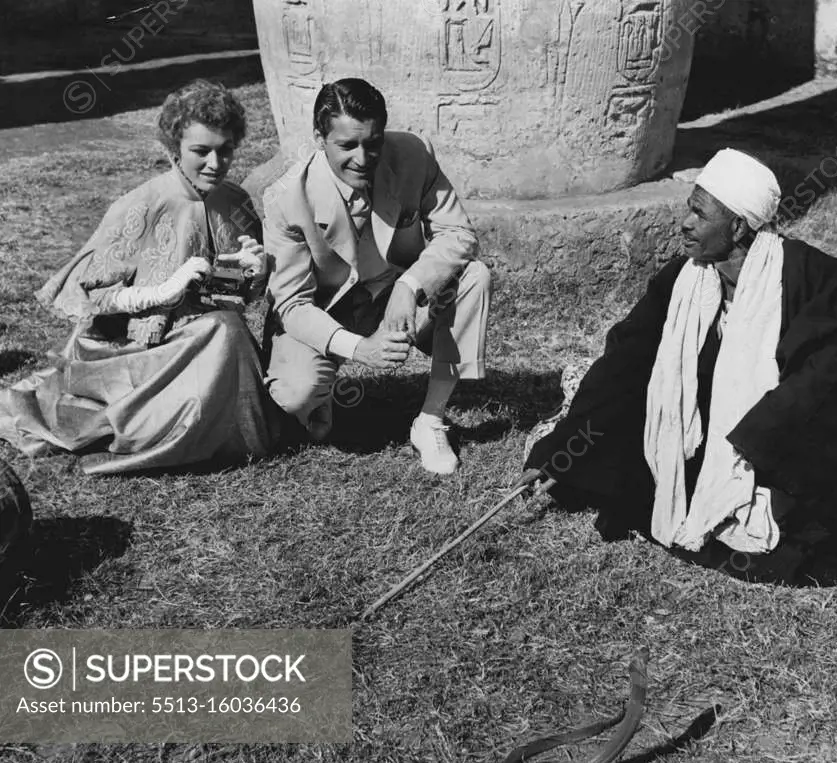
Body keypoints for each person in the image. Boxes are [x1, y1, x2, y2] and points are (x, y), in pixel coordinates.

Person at [521, 148, 837, 584]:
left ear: (738, 226)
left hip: (775, 451)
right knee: (622, 451)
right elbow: (627, 361)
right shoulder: (682, 279)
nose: (685, 223)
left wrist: (762, 431)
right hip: (701, 439)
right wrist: (562, 451)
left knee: (820, 534)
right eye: (688, 210)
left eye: (699, 214)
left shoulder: (808, 277)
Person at [0, 79, 279, 475]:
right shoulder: (140, 204)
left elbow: (225, 294)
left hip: (201, 338)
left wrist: (252, 275)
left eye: (226, 150)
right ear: (173, 149)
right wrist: (161, 293)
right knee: (225, 331)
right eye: (201, 152)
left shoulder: (234, 201)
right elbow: (87, 295)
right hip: (127, 348)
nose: (216, 164)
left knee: (227, 328)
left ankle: (219, 428)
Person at [262, 77, 490, 474]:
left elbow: (458, 234)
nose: (364, 158)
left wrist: (409, 285)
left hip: (398, 302)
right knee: (295, 399)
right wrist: (359, 349)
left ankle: (430, 420)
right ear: (319, 138)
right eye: (347, 145)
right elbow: (293, 305)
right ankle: (323, 392)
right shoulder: (285, 198)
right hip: (325, 310)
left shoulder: (413, 154)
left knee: (473, 277)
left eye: (373, 142)